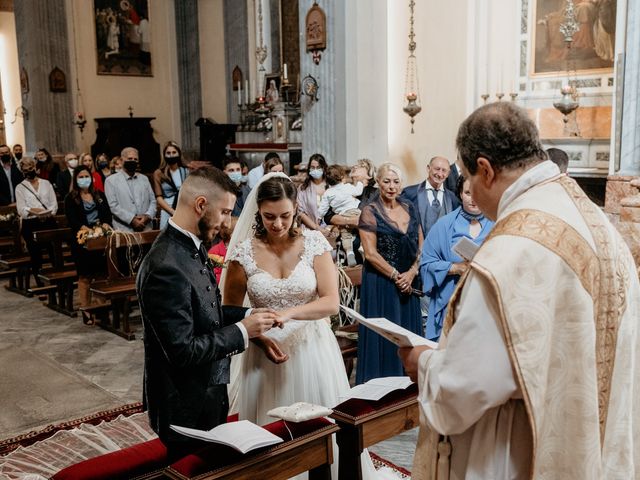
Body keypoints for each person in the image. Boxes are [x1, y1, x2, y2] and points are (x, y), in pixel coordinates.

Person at [400, 101, 640, 479]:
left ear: (485, 169)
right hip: (594, 449)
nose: (473, 195)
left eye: (468, 177)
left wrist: (423, 363)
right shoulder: (596, 221)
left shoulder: (509, 254)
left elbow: (464, 390)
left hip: (516, 455)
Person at [222, 173, 378, 479]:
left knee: (320, 425)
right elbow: (230, 311)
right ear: (258, 213)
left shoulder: (314, 244)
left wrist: (289, 314)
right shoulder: (243, 253)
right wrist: (258, 339)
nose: (277, 224)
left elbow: (331, 302)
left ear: (296, 208)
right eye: (269, 217)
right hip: (264, 353)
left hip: (312, 349)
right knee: (270, 433)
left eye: (285, 216)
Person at [136, 166, 279, 461]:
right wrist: (243, 331)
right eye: (225, 212)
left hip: (207, 392)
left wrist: (249, 314)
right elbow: (183, 350)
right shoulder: (165, 265)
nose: (228, 222)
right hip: (183, 405)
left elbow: (205, 313)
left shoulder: (191, 246)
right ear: (201, 205)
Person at [356, 163, 423, 384]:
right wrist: (396, 276)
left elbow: (421, 244)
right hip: (382, 284)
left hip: (409, 283)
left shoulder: (410, 207)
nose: (391, 186)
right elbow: (371, 254)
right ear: (378, 183)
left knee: (409, 339)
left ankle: (410, 392)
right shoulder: (370, 211)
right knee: (386, 341)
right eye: (386, 181)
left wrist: (412, 272)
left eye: (395, 182)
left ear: (401, 185)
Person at [420, 176, 494, 341]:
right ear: (460, 194)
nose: (473, 199)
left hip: (486, 304)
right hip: (452, 303)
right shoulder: (444, 225)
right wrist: (455, 268)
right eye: (468, 193)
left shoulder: (497, 224)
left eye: (478, 192)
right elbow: (426, 264)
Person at [64, 165, 112, 324]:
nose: (84, 179)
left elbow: (107, 216)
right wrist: (87, 230)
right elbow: (73, 220)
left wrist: (104, 226)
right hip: (82, 241)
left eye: (87, 176)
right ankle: (86, 310)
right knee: (85, 276)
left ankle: (100, 309)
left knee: (100, 275)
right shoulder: (70, 198)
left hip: (99, 240)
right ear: (76, 179)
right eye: (81, 176)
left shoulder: (99, 195)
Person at [15, 157, 57, 286]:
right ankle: (40, 283)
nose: (29, 171)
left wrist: (44, 212)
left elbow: (53, 205)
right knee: (35, 254)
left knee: (53, 251)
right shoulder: (20, 187)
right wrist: (35, 212)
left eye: (30, 168)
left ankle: (57, 279)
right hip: (31, 224)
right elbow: (22, 210)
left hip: (48, 221)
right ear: (22, 171)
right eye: (25, 170)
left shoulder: (46, 183)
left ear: (35, 168)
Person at [401, 156, 460, 239]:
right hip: (417, 249)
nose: (440, 174)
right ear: (428, 168)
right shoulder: (409, 193)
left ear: (448, 173)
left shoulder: (453, 198)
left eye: (444, 170)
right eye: (437, 169)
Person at [317, 165, 363, 266]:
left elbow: (322, 209)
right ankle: (363, 247)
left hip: (342, 215)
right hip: (355, 212)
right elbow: (358, 191)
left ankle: (349, 252)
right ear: (342, 177)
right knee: (364, 229)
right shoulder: (347, 187)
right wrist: (360, 182)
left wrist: (319, 218)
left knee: (345, 235)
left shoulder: (327, 193)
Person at [104, 147, 156, 232]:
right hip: (124, 230)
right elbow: (113, 206)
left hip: (145, 228)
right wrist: (132, 219)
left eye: (135, 159)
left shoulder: (144, 179)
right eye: (130, 158)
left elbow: (153, 201)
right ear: (121, 160)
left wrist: (147, 216)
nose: (133, 161)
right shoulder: (110, 181)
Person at [153, 141, 189, 229]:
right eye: (168, 153)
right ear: (164, 155)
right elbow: (159, 197)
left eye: (174, 152)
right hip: (167, 208)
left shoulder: (185, 171)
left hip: (182, 208)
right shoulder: (159, 173)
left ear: (179, 154)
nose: (171, 155)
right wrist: (172, 212)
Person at [297, 153, 329, 232]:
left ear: (324, 168)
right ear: (309, 169)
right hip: (310, 229)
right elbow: (301, 212)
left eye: (318, 167)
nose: (315, 170)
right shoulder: (303, 188)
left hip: (330, 228)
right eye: (312, 167)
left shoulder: (331, 186)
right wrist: (316, 227)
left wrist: (330, 228)